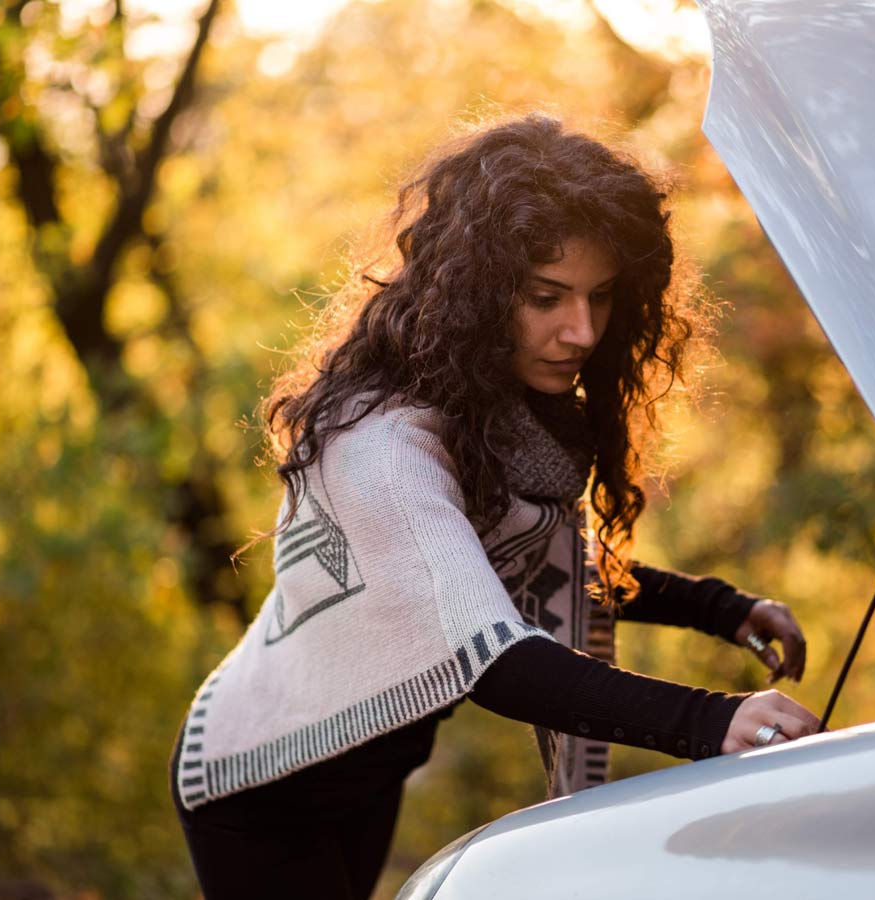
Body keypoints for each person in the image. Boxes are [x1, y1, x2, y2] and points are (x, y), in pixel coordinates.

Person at [169, 114, 819, 899]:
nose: (580, 331)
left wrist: (723, 609)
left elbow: (542, 561)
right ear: (479, 293)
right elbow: (497, 660)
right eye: (547, 297)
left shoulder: (492, 415)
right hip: (260, 782)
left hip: (369, 760)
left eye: (600, 298)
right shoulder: (382, 449)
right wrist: (711, 721)